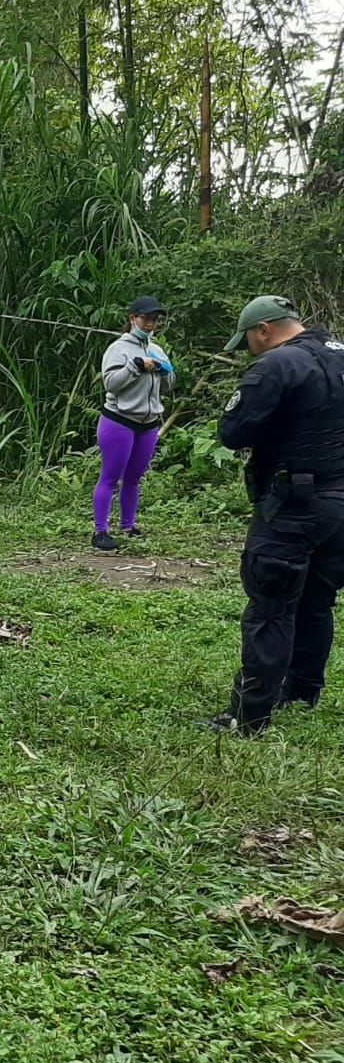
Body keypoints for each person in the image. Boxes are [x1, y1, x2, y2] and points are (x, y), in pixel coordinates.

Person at [212, 295, 344, 735]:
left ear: (264, 329)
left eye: (248, 338)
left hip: (293, 506)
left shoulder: (277, 365)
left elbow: (233, 432)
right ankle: (303, 693)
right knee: (316, 601)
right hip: (339, 505)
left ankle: (249, 716)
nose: (249, 346)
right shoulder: (339, 355)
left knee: (270, 606)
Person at [93, 296, 176, 551]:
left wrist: (165, 371)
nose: (151, 324)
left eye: (155, 320)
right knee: (110, 476)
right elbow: (111, 384)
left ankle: (128, 526)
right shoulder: (118, 349)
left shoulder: (156, 348)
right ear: (133, 319)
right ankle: (100, 531)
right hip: (119, 420)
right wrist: (135, 367)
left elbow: (170, 385)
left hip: (148, 423)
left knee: (134, 477)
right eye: (146, 319)